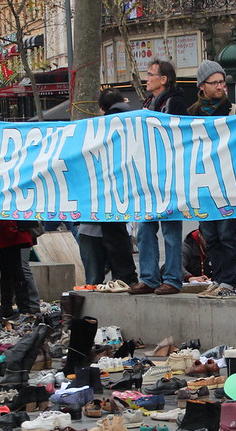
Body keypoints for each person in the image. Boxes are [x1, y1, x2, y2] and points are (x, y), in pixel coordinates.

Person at [128, 60, 187, 296]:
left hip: (169, 174)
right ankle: (149, 278)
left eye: (151, 74)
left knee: (171, 231)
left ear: (164, 79)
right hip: (149, 175)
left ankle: (172, 279)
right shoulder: (150, 103)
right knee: (144, 230)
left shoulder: (175, 102)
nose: (147, 78)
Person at [187, 60, 236, 299]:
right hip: (202, 183)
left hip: (228, 182)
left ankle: (229, 282)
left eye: (223, 82)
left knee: (227, 234)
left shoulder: (235, 112)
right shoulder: (191, 114)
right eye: (215, 82)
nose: (221, 87)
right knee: (209, 235)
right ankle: (218, 278)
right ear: (202, 86)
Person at [92, 88, 139, 287]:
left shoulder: (107, 123)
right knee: (122, 234)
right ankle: (126, 275)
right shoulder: (132, 118)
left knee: (113, 235)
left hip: (111, 186)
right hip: (128, 183)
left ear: (102, 108)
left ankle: (124, 277)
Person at [0, 219, 37, 319]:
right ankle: (10, 307)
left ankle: (23, 308)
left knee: (15, 268)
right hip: (5, 227)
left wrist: (11, 226)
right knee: (5, 267)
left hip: (10, 227)